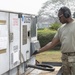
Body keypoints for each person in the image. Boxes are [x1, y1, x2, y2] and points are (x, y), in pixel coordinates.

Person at [34, 6, 75, 75]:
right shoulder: (61, 29)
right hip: (65, 59)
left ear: (66, 14)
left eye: (60, 17)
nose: (59, 19)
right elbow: (52, 44)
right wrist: (38, 51)